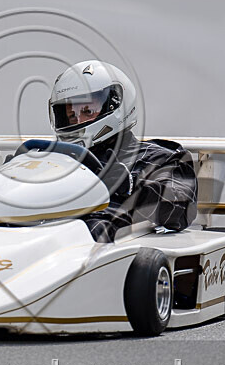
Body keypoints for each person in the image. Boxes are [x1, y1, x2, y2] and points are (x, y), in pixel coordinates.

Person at [48, 60, 197, 243]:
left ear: (117, 105)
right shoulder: (56, 159)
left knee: (91, 228)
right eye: (71, 115)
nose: (78, 120)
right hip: (45, 241)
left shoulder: (162, 158)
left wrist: (127, 185)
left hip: (106, 249)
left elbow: (178, 208)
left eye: (87, 110)